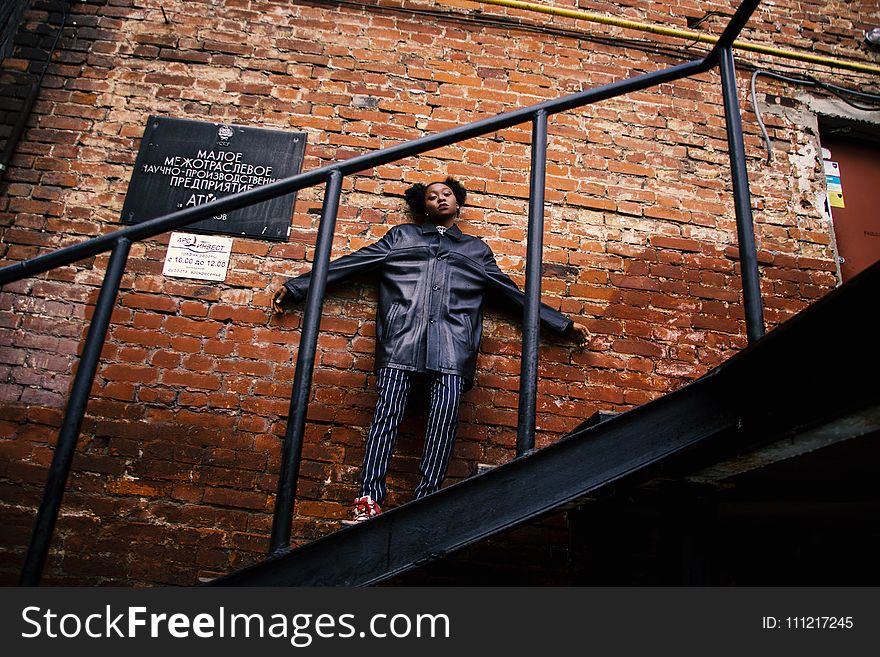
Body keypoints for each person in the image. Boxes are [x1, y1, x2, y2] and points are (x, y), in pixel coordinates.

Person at [273, 177, 588, 522]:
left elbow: (514, 295)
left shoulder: (476, 250)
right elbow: (351, 264)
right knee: (386, 416)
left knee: (444, 420)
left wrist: (562, 325)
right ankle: (368, 497)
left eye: (446, 194)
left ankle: (426, 499)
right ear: (422, 206)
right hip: (401, 341)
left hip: (454, 347)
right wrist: (297, 287)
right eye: (432, 196)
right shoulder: (401, 237)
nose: (439, 199)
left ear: (458, 202)